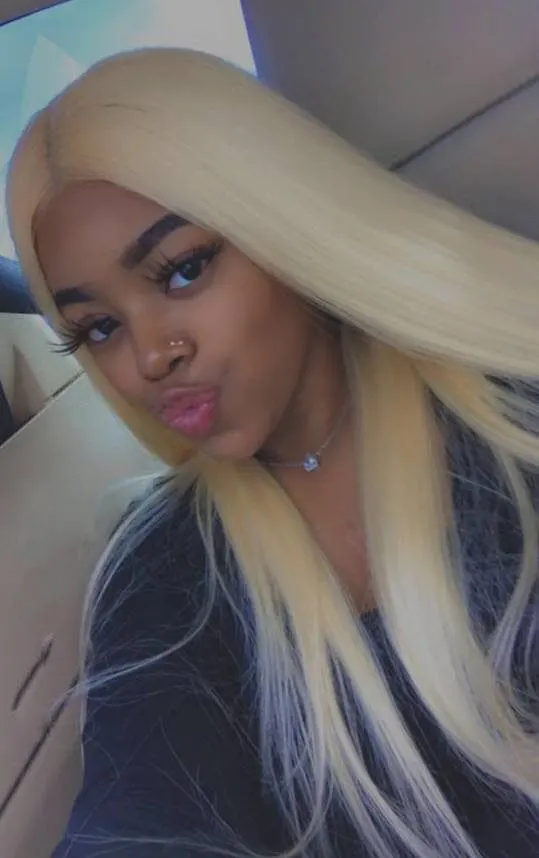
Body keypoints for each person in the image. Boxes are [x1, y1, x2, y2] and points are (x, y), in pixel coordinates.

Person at [6, 48, 539, 858]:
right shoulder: (165, 570)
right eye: (100, 328)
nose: (149, 356)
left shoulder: (512, 412)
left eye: (182, 271)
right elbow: (138, 812)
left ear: (285, 227)